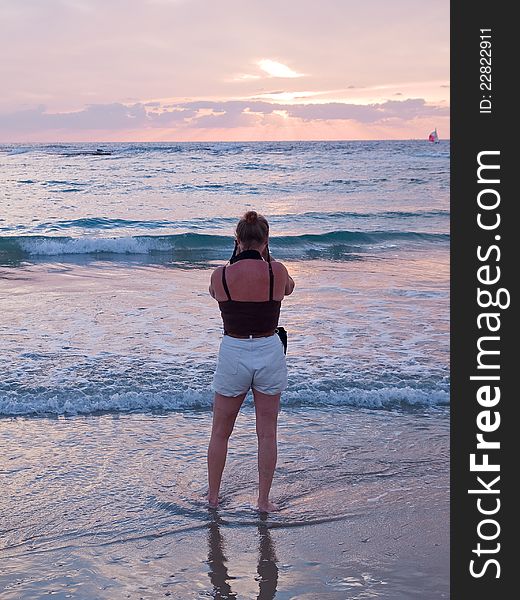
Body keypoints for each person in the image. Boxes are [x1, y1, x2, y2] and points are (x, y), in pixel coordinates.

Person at [207, 210, 295, 512]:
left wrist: (235, 262)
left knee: (220, 431)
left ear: (237, 240)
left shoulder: (220, 275)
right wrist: (268, 261)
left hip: (234, 351)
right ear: (266, 239)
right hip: (269, 351)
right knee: (267, 432)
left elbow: (214, 293)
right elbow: (289, 289)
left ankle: (213, 498)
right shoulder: (277, 271)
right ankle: (263, 501)